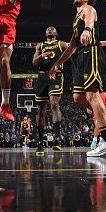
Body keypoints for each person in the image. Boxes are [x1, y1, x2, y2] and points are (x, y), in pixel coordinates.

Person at [49, 0, 106, 157]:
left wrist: (87, 30)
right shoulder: (76, 19)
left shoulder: (88, 8)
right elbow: (72, 47)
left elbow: (90, 18)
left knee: (93, 96)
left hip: (91, 52)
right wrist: (57, 64)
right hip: (80, 56)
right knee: (78, 98)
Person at [32, 26, 68, 155]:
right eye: (48, 29)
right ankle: (40, 142)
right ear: (45, 33)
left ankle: (57, 139)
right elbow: (34, 62)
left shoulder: (61, 44)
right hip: (42, 77)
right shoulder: (40, 46)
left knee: (54, 104)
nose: (50, 30)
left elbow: (72, 50)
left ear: (56, 33)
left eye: (53, 29)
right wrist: (42, 55)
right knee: (41, 110)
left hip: (56, 75)